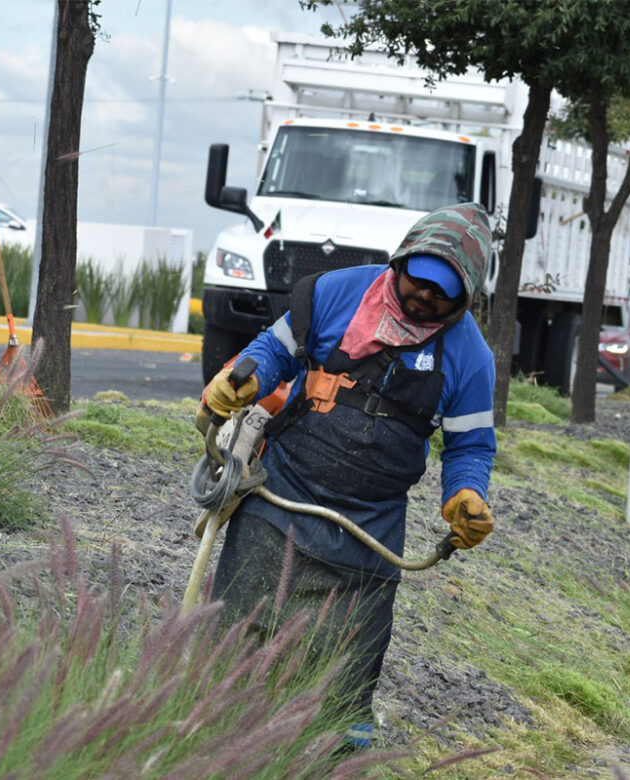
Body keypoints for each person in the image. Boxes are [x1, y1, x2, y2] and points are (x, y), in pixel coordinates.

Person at [197, 202, 497, 749]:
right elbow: (273, 351)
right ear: (400, 261)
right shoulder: (336, 294)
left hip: (372, 529)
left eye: (442, 292)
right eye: (418, 280)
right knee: (238, 629)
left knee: (343, 670)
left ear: (465, 298)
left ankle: (331, 755)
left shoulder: (470, 357)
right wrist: (241, 377)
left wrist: (466, 494)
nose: (424, 296)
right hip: (281, 496)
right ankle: (211, 733)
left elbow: (471, 444)